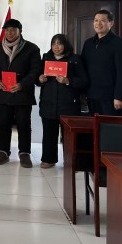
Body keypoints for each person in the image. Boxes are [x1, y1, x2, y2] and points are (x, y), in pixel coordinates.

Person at [0, 19, 41, 168]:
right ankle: (3, 152)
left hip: (22, 93)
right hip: (3, 92)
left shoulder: (31, 48)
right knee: (3, 123)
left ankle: (24, 153)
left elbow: (35, 71)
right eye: (7, 30)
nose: (9, 33)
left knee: (23, 124)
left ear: (20, 31)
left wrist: (22, 84)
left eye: (13, 30)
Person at [37, 34, 88, 168]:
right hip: (48, 102)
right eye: (54, 44)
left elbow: (84, 81)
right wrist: (40, 79)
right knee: (49, 133)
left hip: (68, 104)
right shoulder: (46, 58)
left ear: (65, 45)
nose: (56, 47)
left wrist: (68, 81)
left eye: (59, 44)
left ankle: (70, 161)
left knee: (68, 135)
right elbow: (37, 78)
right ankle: (48, 159)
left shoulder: (74, 59)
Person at [81, 9, 122, 116]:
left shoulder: (120, 44)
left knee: (111, 126)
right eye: (96, 20)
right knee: (93, 125)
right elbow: (83, 68)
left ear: (111, 23)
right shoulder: (88, 43)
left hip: (111, 98)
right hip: (91, 96)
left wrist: (119, 96)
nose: (98, 24)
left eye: (102, 21)